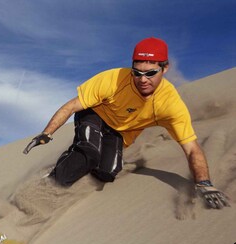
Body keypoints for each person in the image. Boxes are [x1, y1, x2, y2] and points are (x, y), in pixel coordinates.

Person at [23, 37, 230, 209]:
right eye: (137, 72)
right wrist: (47, 133)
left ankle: (72, 170)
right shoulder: (112, 79)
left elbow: (192, 148)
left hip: (119, 132)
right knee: (89, 152)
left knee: (107, 172)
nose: (142, 80)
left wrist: (204, 184)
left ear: (164, 68)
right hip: (94, 114)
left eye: (150, 73)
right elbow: (70, 107)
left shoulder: (170, 105)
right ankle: (44, 189)